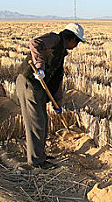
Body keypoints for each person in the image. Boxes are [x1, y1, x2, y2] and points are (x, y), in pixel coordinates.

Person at [16, 23, 87, 169]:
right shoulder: (55, 39)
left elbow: (57, 79)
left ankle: (40, 155)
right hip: (29, 82)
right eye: (78, 42)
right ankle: (36, 162)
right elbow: (34, 43)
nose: (77, 45)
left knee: (42, 122)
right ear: (71, 38)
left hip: (38, 88)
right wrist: (39, 66)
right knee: (35, 123)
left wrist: (58, 103)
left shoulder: (61, 53)